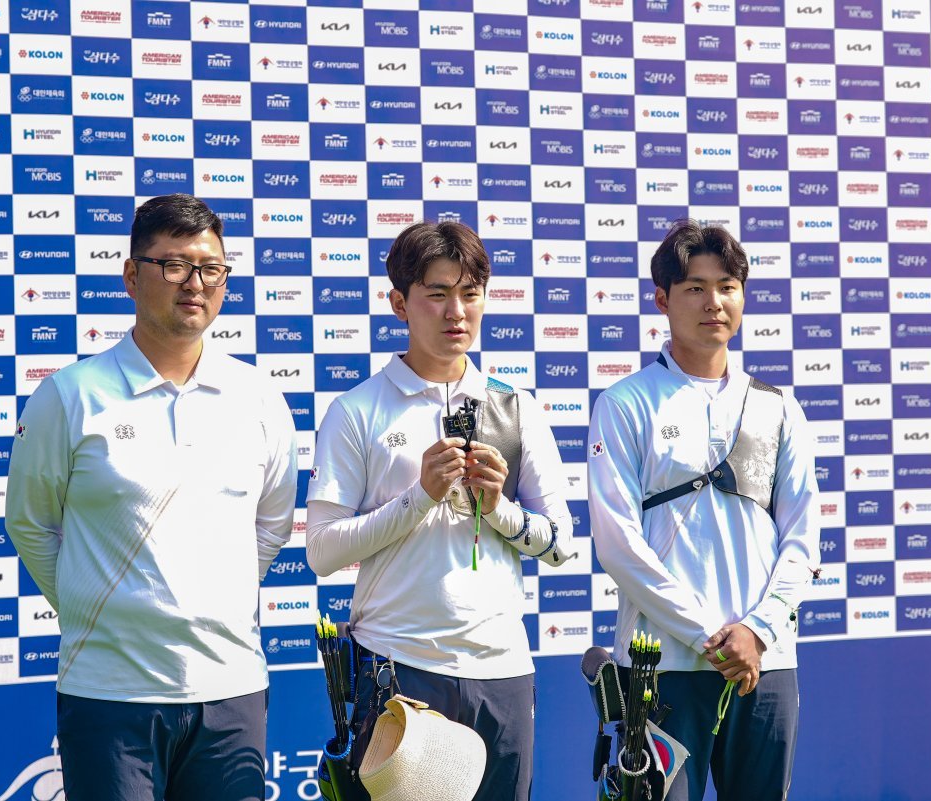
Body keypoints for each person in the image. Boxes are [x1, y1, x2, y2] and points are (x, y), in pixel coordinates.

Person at [5, 193, 298, 801]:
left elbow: (270, 527)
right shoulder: (69, 395)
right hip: (110, 694)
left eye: (210, 268)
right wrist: (97, 608)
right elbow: (30, 524)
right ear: (131, 276)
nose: (195, 283)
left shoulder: (260, 398)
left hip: (232, 689)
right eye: (174, 265)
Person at [306, 221, 574, 801]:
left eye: (470, 292)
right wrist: (419, 497)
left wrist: (498, 511)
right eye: (437, 293)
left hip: (502, 671)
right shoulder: (357, 410)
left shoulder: (515, 407)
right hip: (400, 670)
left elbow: (561, 545)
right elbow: (322, 551)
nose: (457, 311)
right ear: (399, 303)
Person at [587, 220, 819, 801]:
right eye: (694, 287)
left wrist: (758, 633)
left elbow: (802, 539)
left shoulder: (779, 406)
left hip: (765, 663)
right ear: (662, 299)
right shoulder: (625, 403)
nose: (714, 302)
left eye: (727, 286)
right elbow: (618, 544)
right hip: (663, 665)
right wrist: (712, 637)